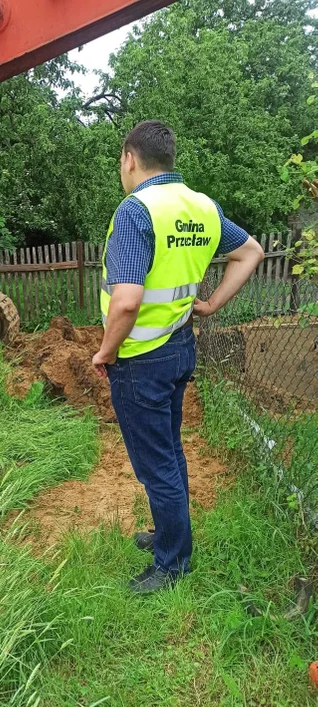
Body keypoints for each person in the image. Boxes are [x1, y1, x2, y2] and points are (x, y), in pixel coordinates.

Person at [92, 120, 264, 594]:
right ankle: (170, 535)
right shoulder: (202, 207)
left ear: (130, 157)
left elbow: (126, 301)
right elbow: (251, 252)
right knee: (168, 452)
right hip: (179, 347)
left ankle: (172, 565)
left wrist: (105, 351)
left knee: (156, 464)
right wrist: (210, 304)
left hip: (139, 358)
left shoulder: (136, 211)